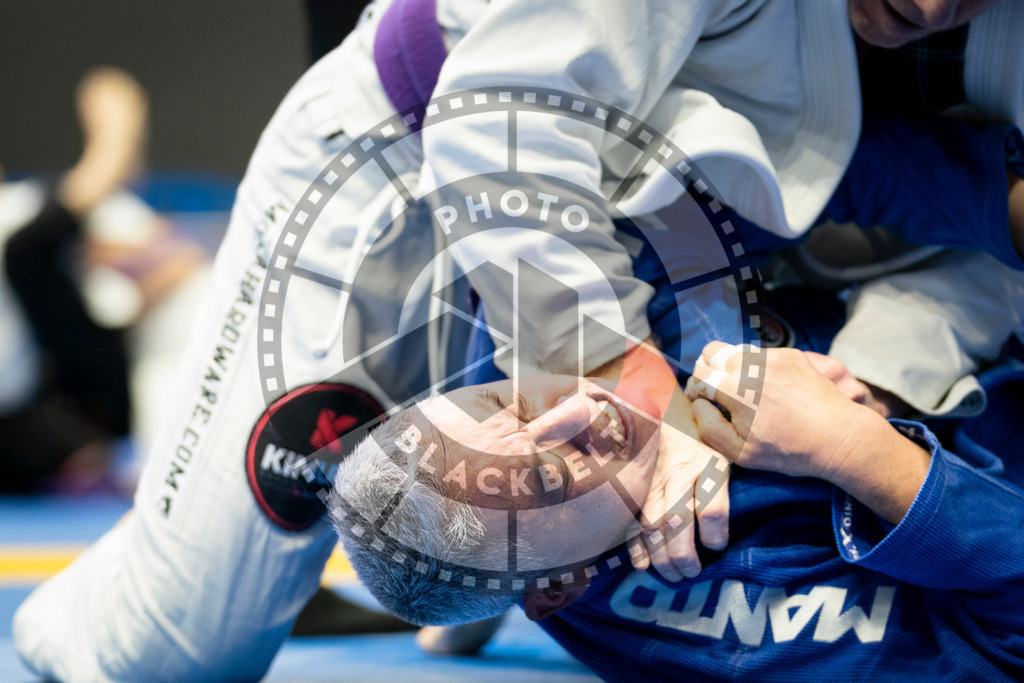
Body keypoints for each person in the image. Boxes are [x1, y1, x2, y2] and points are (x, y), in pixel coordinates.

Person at [12, 0, 1024, 678]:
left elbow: (850, 181)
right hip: (400, 174)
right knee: (173, 650)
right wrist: (644, 403)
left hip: (686, 249)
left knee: (539, 480)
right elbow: (501, 123)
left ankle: (504, 549)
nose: (933, 9)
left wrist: (873, 415)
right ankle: (503, 532)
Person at [329, 337, 1024, 679]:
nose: (581, 409)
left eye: (506, 397)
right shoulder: (740, 623)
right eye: (548, 474)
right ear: (560, 587)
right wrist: (854, 443)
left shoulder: (497, 399)